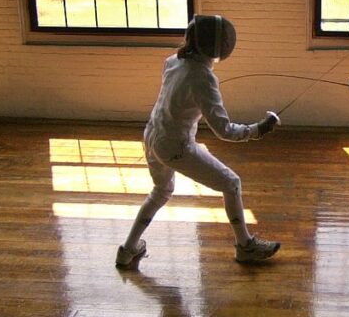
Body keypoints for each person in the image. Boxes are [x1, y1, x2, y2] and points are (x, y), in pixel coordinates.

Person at [117, 14, 282, 268]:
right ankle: (245, 246)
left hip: (152, 135)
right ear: (220, 47)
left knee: (161, 192)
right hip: (175, 146)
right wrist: (257, 130)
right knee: (232, 183)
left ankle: (127, 251)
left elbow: (184, 96)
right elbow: (224, 130)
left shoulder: (173, 61)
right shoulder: (204, 78)